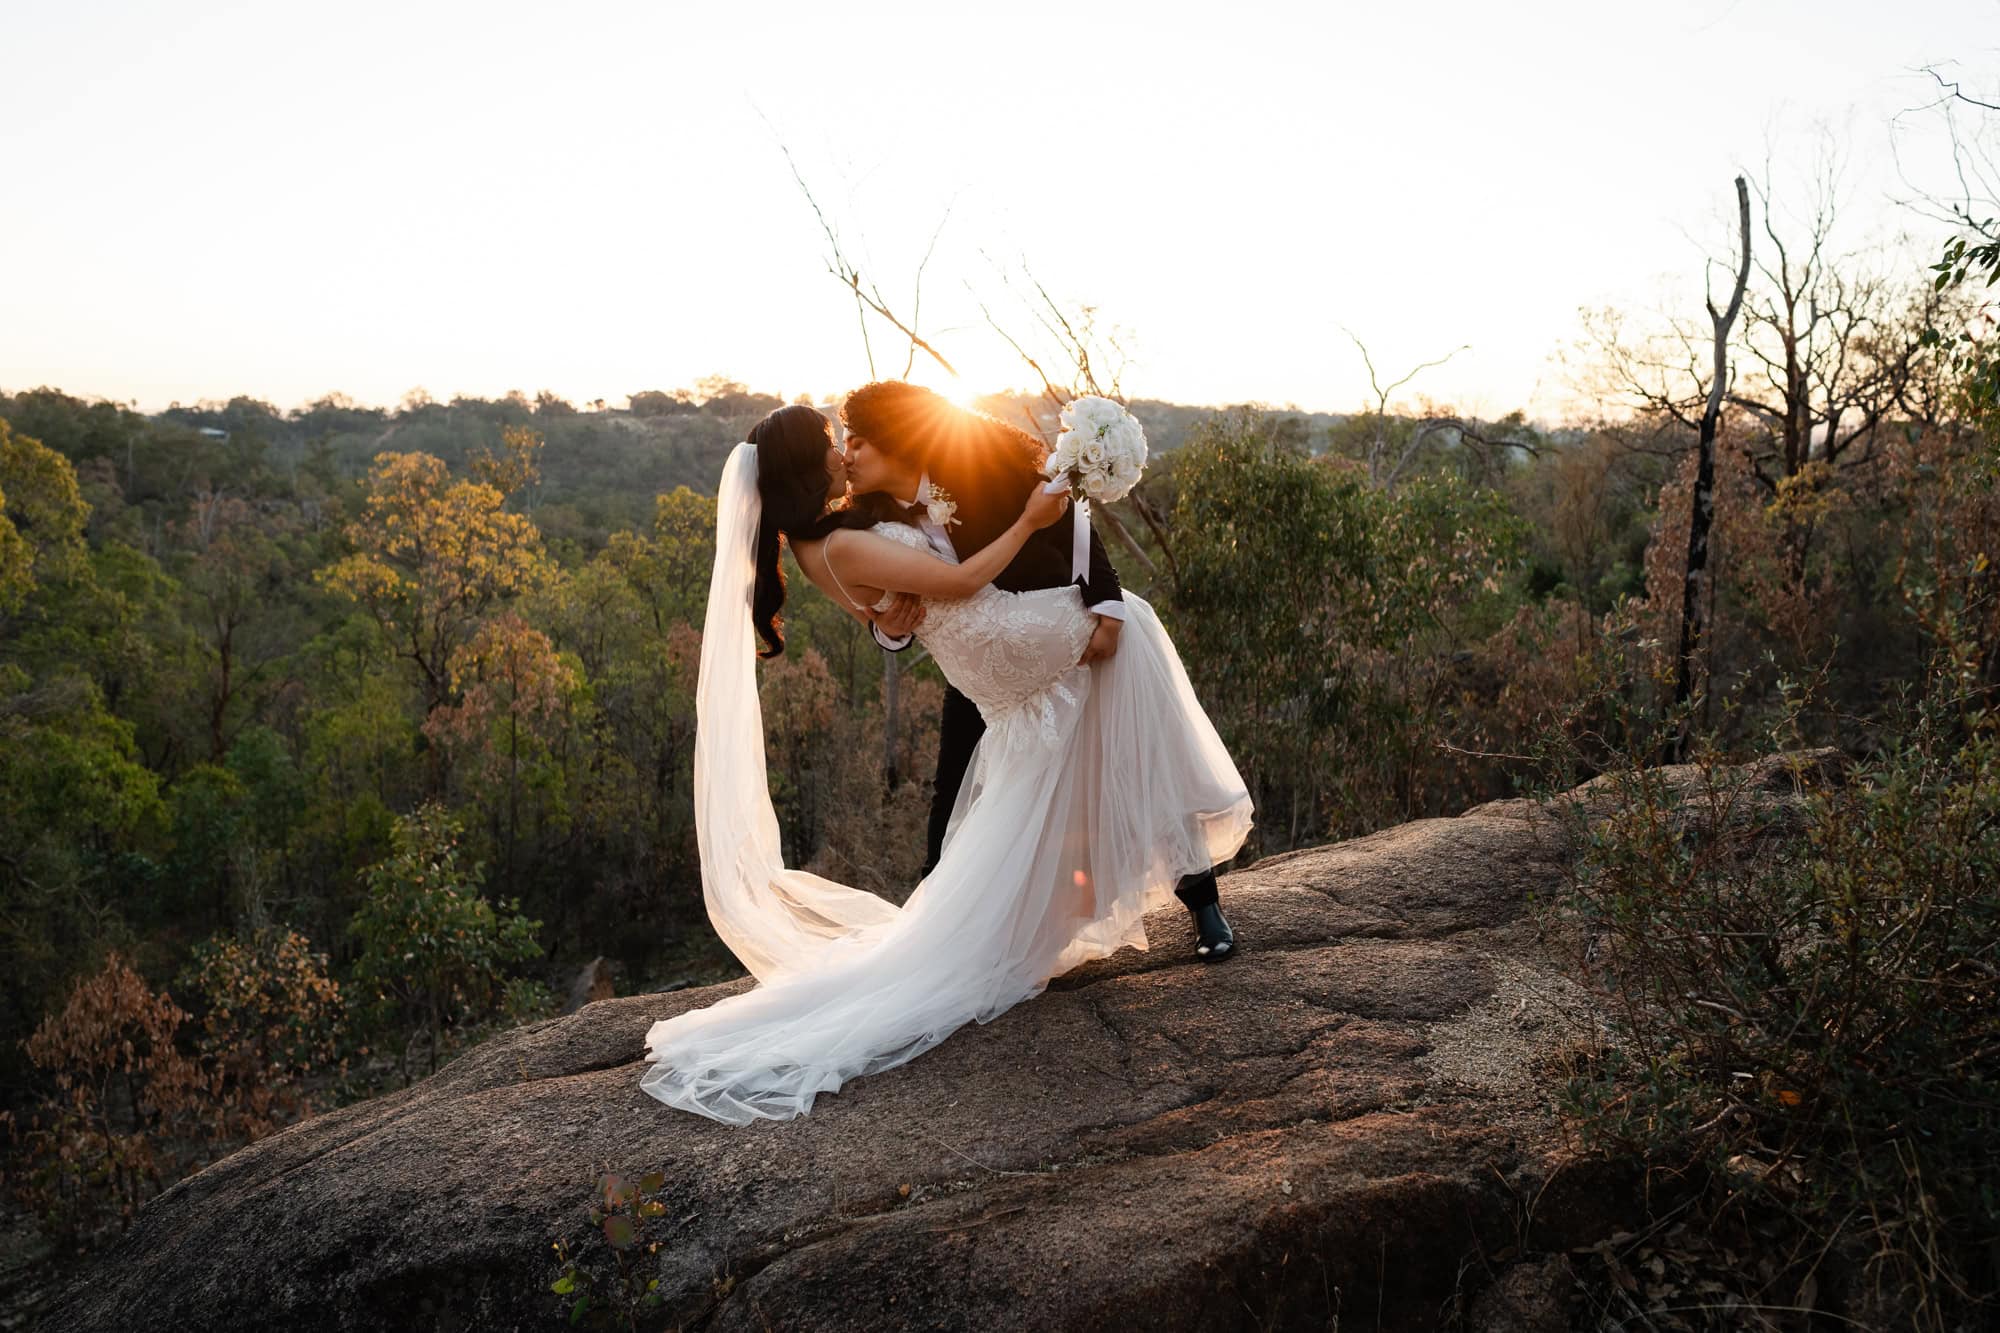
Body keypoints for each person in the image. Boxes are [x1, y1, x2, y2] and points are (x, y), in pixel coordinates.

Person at [639, 402, 1252, 1125]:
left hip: (992, 653)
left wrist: (1094, 595)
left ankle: (1178, 895)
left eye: (856, 440)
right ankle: (1145, 887)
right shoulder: (840, 534)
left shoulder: (882, 502)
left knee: (1103, 677)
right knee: (1135, 645)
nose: (847, 454)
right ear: (810, 467)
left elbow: (1070, 532)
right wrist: (1019, 526)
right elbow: (937, 591)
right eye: (837, 445)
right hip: (992, 643)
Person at [839, 380, 1236, 959]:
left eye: (858, 441)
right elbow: (882, 608)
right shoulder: (868, 519)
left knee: (1139, 764)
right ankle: (926, 949)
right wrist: (889, 629)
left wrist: (1107, 605)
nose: (848, 456)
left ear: (894, 440)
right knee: (953, 795)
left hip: (1061, 640)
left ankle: (1205, 907)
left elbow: (1072, 517)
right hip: (987, 679)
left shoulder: (981, 466)